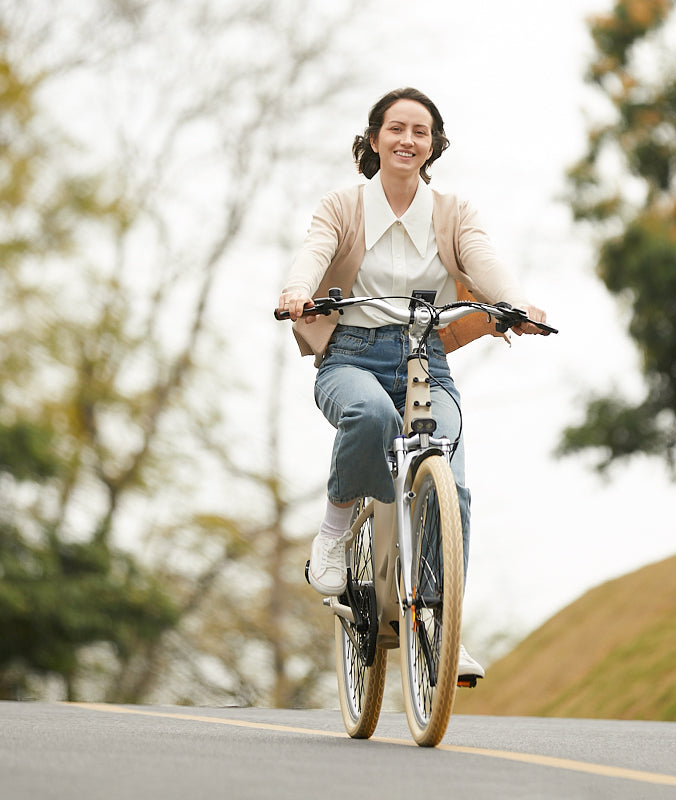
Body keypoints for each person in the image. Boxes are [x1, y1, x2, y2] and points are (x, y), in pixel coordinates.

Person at [277, 87, 548, 679]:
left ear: (434, 145)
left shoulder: (453, 213)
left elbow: (483, 260)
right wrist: (297, 290)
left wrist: (517, 303)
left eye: (420, 131)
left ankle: (442, 627)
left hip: (428, 363)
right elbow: (315, 251)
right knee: (371, 416)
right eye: (396, 129)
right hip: (351, 358)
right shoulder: (343, 206)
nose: (407, 140)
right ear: (374, 140)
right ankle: (334, 531)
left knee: (454, 483)